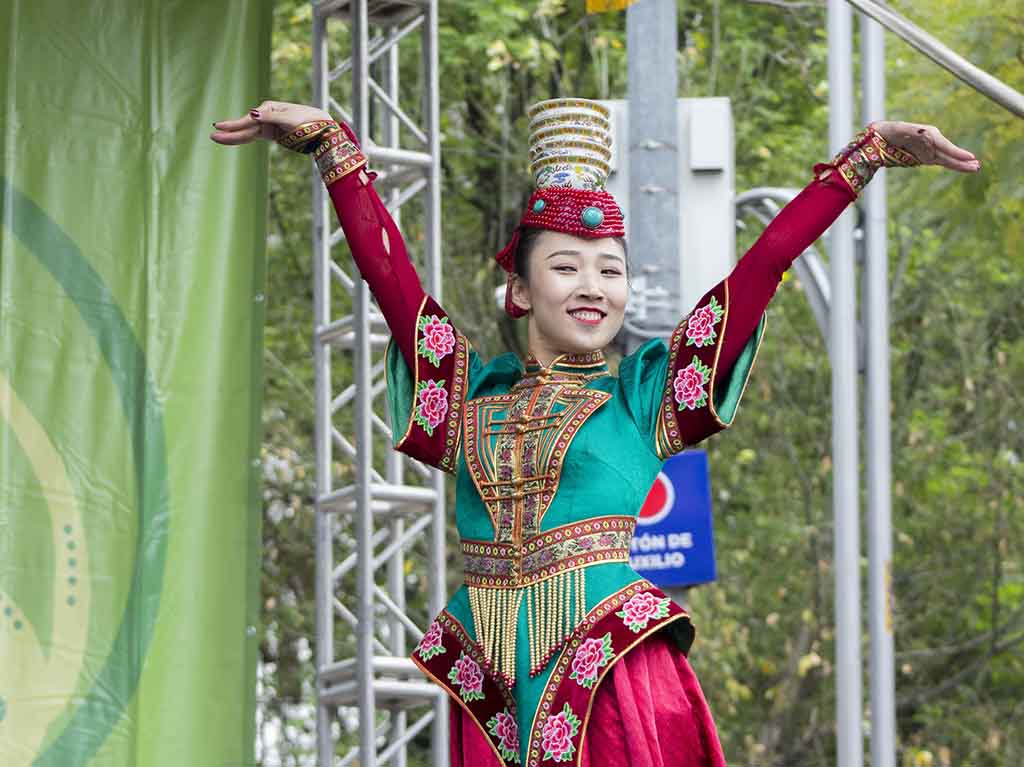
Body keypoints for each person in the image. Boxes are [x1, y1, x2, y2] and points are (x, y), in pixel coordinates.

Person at [211, 99, 978, 767]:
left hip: (610, 669)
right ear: (518, 288)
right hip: (491, 683)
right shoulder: (466, 396)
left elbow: (765, 263)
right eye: (568, 266)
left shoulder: (643, 394)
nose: (593, 287)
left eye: (611, 270)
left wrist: (863, 156)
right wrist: (332, 148)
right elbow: (389, 278)